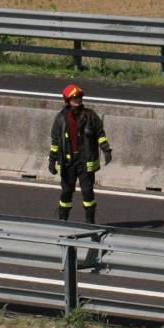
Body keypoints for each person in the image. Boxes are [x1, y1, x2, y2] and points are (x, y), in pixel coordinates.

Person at [48, 83, 112, 223]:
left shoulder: (90, 116)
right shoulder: (60, 119)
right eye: (74, 97)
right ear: (67, 100)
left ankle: (90, 223)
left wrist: (106, 150)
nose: (78, 100)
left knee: (88, 192)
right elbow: (55, 142)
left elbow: (100, 134)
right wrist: (52, 160)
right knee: (66, 192)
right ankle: (62, 221)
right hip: (67, 162)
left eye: (79, 97)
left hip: (85, 162)